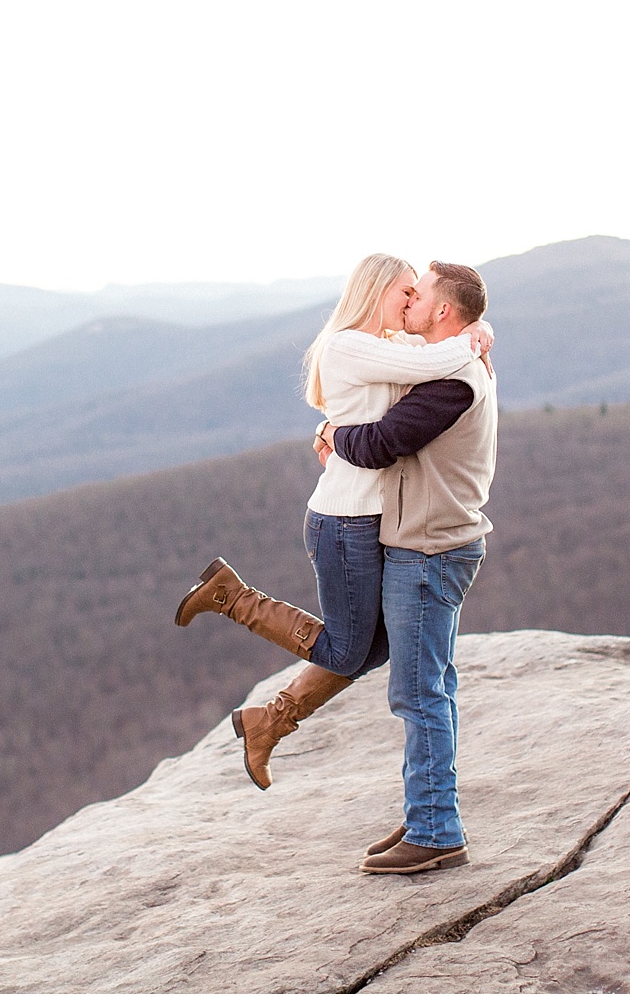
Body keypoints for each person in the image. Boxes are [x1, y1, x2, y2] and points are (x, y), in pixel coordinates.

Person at [174, 253, 492, 792]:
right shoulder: (350, 344)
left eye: (419, 295)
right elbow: (428, 367)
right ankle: (229, 596)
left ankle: (267, 722)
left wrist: (478, 326)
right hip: (345, 519)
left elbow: (437, 345)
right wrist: (472, 338)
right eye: (405, 292)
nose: (411, 301)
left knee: (376, 647)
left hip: (369, 519)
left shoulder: (392, 344)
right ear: (378, 291)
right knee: (349, 649)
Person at [318, 261, 497, 875]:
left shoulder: (451, 383)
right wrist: (481, 332)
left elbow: (376, 444)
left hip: (427, 549)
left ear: (443, 312)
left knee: (418, 691)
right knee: (430, 685)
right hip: (432, 543)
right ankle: (428, 810)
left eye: (420, 297)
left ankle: (435, 829)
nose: (412, 302)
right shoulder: (448, 363)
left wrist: (330, 429)